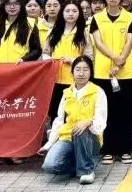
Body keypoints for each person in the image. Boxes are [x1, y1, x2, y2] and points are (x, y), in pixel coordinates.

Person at [89, 0, 132, 165]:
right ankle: (107, 149)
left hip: (126, 73)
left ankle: (125, 149)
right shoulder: (96, 18)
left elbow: (130, 41)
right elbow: (98, 42)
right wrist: (114, 58)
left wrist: (120, 62)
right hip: (103, 72)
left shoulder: (130, 17)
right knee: (106, 111)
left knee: (125, 111)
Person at [39, 56, 106, 184]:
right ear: (72, 72)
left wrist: (88, 122)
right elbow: (59, 120)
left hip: (91, 138)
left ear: (91, 72)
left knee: (80, 129)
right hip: (68, 137)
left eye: (85, 70)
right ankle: (80, 162)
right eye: (78, 69)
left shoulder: (98, 92)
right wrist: (49, 143)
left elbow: (101, 120)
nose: (81, 73)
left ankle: (87, 171)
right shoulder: (66, 93)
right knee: (50, 166)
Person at [45, 0, 94, 122]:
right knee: (56, 113)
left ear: (79, 13)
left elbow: (89, 57)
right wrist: (49, 60)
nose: (71, 14)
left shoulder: (84, 33)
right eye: (67, 11)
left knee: (73, 114)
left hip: (75, 80)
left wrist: (73, 61)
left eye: (74, 11)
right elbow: (45, 53)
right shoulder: (53, 32)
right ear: (62, 13)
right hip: (55, 79)